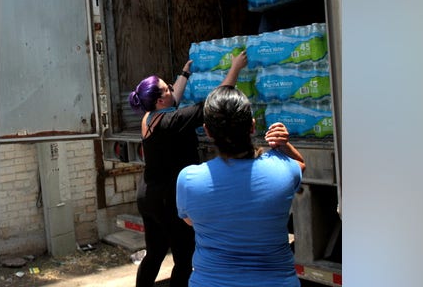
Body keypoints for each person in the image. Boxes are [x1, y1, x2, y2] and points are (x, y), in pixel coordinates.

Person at [128, 52, 248, 287]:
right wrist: (235, 69)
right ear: (161, 101)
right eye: (167, 88)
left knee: (154, 254)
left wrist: (185, 73)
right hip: (168, 201)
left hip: (149, 196)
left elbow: (174, 96)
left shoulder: (149, 118)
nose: (172, 88)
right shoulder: (172, 122)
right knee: (184, 258)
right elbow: (214, 103)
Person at [176, 85, 306, 287]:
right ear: (252, 126)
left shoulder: (189, 179)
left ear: (208, 131)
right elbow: (300, 167)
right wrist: (284, 145)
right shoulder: (282, 170)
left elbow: (191, 221)